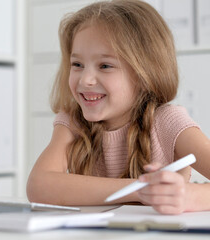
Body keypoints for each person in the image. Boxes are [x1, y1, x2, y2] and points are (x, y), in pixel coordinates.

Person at [26, 0, 210, 215]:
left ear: (144, 73)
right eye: (77, 64)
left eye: (105, 66)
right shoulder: (72, 122)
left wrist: (192, 196)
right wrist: (140, 188)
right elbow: (39, 186)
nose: (85, 80)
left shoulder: (168, 121)